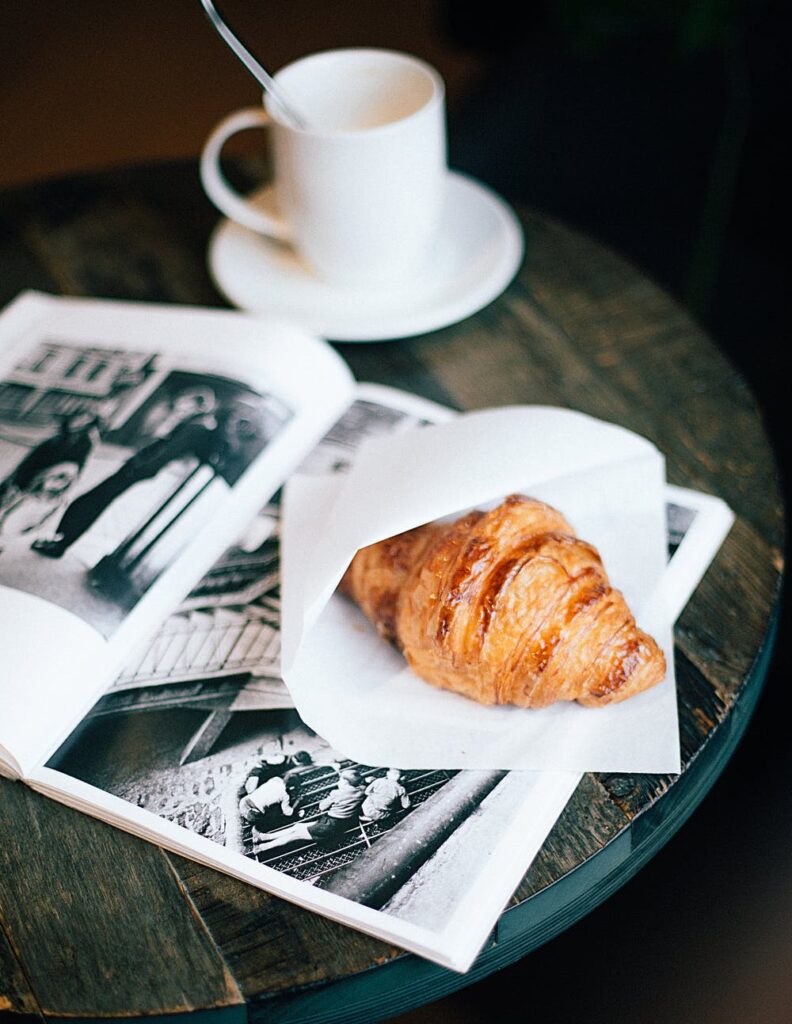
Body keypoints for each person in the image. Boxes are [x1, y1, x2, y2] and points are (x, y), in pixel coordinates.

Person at [30, 389, 224, 559]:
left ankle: (60, 544)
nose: (181, 408)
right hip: (137, 469)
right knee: (92, 501)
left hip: (136, 470)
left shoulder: (196, 426)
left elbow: (166, 452)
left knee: (92, 501)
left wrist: (137, 466)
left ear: (198, 405)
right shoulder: (196, 424)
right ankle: (60, 540)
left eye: (186, 404)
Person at [251, 769, 366, 855]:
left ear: (345, 783)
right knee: (297, 826)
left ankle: (261, 848)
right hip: (336, 823)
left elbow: (322, 807)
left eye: (340, 779)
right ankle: (262, 837)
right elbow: (364, 785)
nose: (338, 781)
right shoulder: (361, 792)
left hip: (328, 826)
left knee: (294, 835)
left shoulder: (337, 793)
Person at [0, 410, 100, 506]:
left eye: (84, 419)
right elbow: (31, 459)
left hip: (52, 472)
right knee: (16, 480)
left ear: (89, 424)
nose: (78, 420)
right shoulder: (64, 434)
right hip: (40, 465)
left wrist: (66, 485)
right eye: (79, 416)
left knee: (23, 485)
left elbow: (79, 465)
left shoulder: (86, 440)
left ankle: (14, 495)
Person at [0, 461, 81, 553]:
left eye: (69, 480)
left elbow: (48, 521)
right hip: (5, 527)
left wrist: (40, 533)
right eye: (61, 477)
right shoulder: (27, 494)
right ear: (49, 474)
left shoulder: (57, 502)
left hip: (16, 534)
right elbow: (6, 510)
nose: (62, 483)